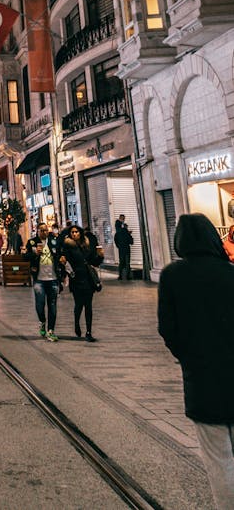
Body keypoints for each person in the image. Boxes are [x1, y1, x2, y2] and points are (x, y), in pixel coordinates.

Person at [158, 213, 234, 509]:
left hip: (202, 379)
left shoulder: (173, 276)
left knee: (219, 460)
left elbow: (168, 328)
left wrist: (189, 356)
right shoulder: (230, 273)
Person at [60, 224, 103, 342]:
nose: (74, 234)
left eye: (76, 232)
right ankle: (77, 324)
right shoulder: (67, 246)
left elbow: (93, 261)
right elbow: (65, 262)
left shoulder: (87, 245)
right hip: (76, 279)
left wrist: (100, 257)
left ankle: (89, 332)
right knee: (79, 305)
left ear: (80, 233)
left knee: (88, 306)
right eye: (72, 232)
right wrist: (64, 270)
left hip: (88, 278)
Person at [25, 221, 62, 342]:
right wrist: (35, 253)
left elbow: (60, 254)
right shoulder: (32, 242)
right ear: (37, 231)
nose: (44, 232)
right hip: (39, 279)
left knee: (52, 305)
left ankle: (51, 330)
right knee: (40, 305)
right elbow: (25, 257)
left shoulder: (53, 241)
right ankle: (42, 321)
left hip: (53, 279)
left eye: (46, 230)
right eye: (42, 230)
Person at [114, 215, 134, 280]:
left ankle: (120, 276)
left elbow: (116, 240)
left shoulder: (117, 233)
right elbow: (131, 241)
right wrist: (129, 234)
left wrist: (119, 246)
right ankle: (128, 276)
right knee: (127, 262)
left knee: (121, 262)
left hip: (121, 249)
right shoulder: (126, 232)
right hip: (126, 249)